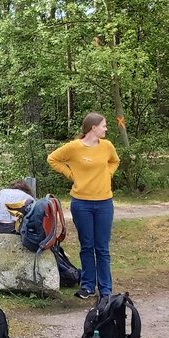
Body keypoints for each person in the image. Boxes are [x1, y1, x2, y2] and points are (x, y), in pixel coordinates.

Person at [47, 113, 120, 300]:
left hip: (104, 203)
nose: (106, 129)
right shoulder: (74, 147)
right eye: (103, 126)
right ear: (93, 128)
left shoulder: (107, 146)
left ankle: (105, 289)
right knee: (87, 246)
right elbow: (52, 159)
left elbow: (115, 161)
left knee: (102, 247)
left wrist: (107, 174)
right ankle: (87, 286)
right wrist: (71, 174)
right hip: (81, 203)